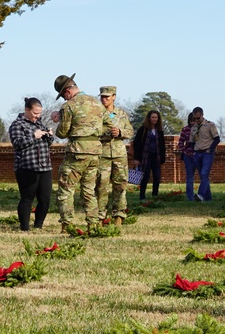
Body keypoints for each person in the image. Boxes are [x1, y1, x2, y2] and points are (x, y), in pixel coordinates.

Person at [51, 73, 106, 231]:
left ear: (67, 91)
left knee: (66, 188)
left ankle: (67, 224)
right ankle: (93, 224)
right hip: (95, 152)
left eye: (63, 96)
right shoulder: (97, 103)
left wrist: (59, 118)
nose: (64, 99)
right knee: (89, 189)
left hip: (77, 153)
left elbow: (62, 132)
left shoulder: (69, 106)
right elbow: (107, 125)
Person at [8, 97, 54, 231]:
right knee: (27, 198)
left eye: (39, 113)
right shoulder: (17, 125)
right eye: (35, 113)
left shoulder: (40, 124)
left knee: (45, 199)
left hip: (45, 167)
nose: (37, 116)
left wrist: (49, 136)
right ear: (27, 110)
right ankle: (25, 228)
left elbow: (47, 143)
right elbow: (17, 144)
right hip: (27, 167)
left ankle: (38, 225)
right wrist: (33, 136)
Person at [95, 86, 134, 223]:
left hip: (119, 154)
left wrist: (121, 133)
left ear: (114, 97)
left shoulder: (121, 114)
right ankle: (100, 217)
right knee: (101, 186)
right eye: (102, 97)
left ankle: (119, 216)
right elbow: (91, 132)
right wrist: (105, 133)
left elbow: (130, 131)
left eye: (107, 97)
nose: (104, 99)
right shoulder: (96, 114)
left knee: (120, 185)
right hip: (102, 154)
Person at [132, 110, 167, 200]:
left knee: (157, 176)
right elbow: (137, 144)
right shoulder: (143, 129)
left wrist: (163, 157)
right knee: (145, 176)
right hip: (145, 157)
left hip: (156, 157)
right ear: (149, 118)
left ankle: (155, 194)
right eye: (153, 117)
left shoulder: (159, 131)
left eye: (156, 117)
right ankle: (142, 195)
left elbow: (162, 145)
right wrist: (136, 158)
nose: (154, 119)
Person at [189, 106, 220, 202]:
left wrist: (210, 149)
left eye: (198, 118)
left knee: (204, 174)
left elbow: (217, 139)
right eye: (195, 118)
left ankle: (201, 195)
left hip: (207, 153)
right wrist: (193, 151)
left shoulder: (209, 125)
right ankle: (208, 198)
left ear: (202, 115)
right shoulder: (194, 127)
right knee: (203, 176)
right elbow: (191, 141)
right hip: (197, 152)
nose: (197, 120)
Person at [176, 113, 197, 201]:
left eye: (194, 120)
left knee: (204, 176)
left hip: (199, 154)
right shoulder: (185, 129)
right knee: (190, 177)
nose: (192, 123)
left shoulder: (201, 129)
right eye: (191, 121)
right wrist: (186, 151)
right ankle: (190, 197)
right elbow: (180, 143)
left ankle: (205, 196)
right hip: (188, 155)